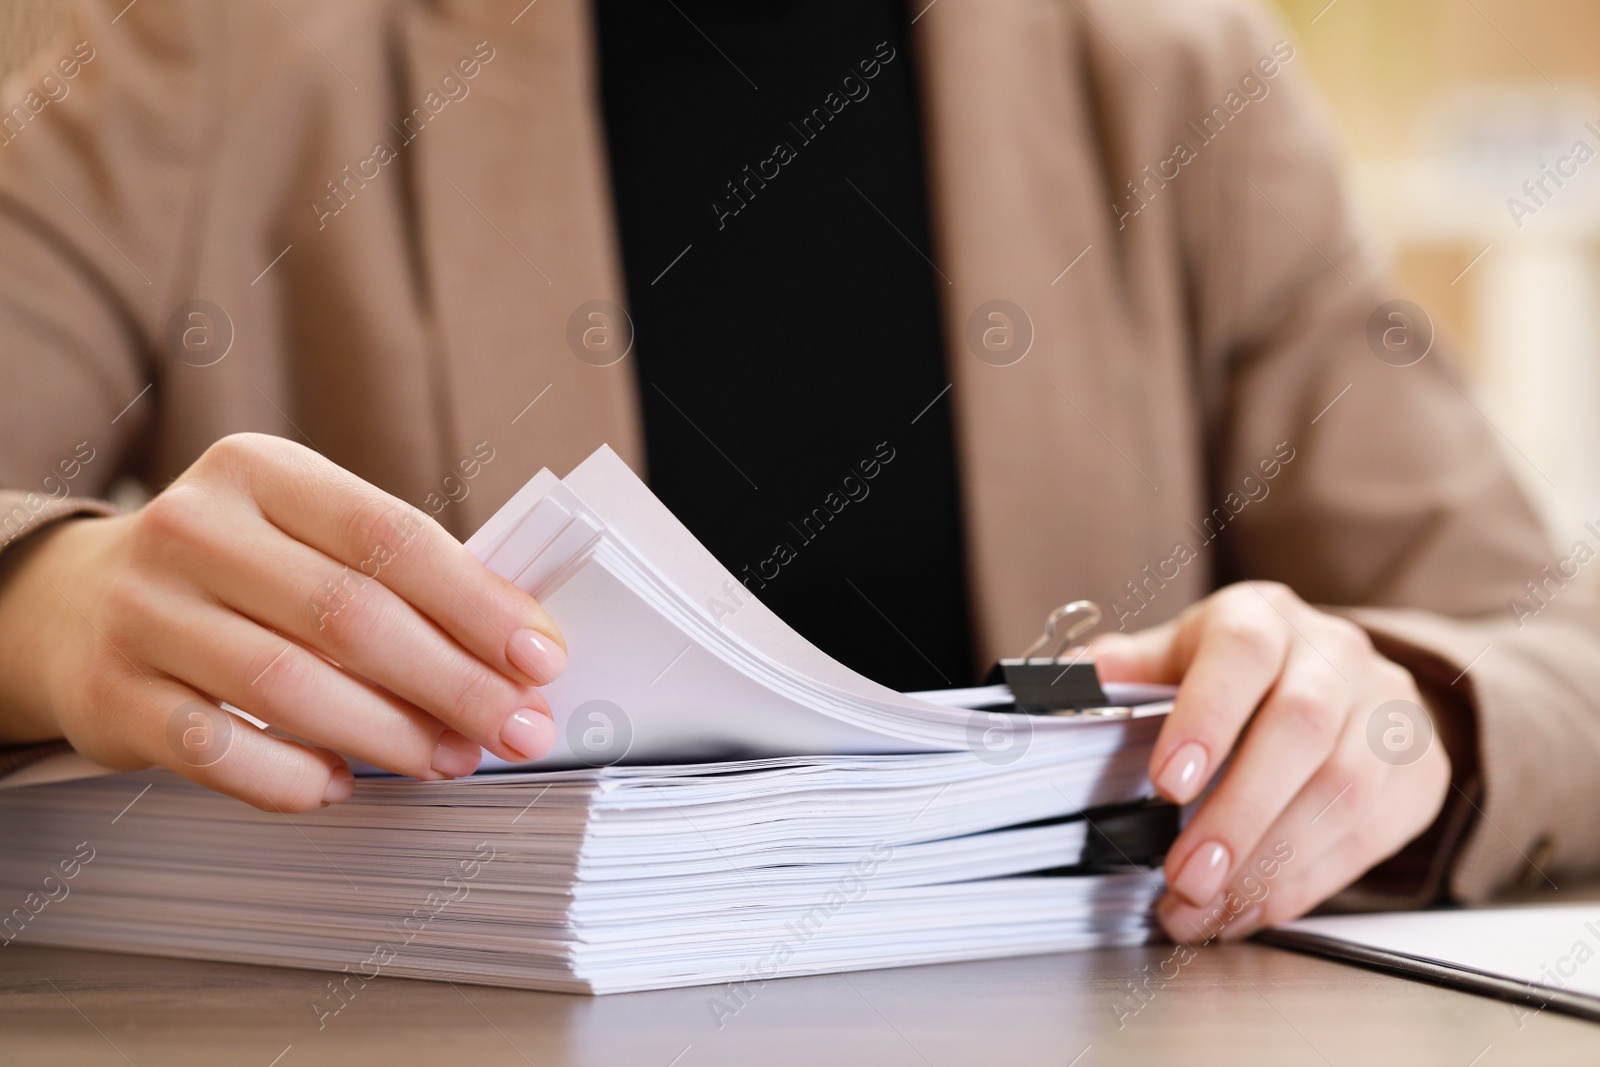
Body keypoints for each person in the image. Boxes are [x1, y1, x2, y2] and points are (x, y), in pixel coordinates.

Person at [0, 0, 1593, 946]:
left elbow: (1554, 655)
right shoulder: (216, 53)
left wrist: (1409, 716)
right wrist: (48, 603)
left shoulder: (1171, 68)